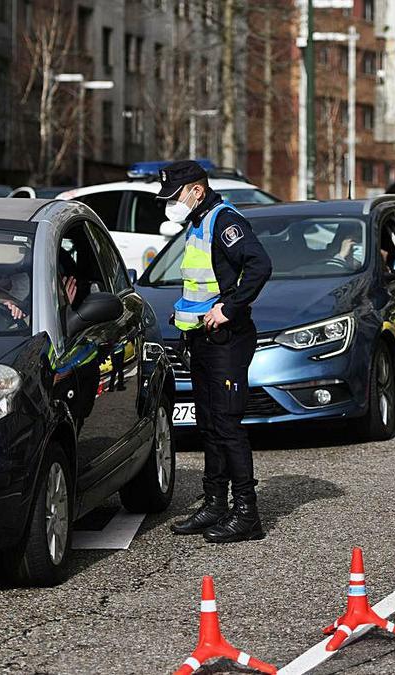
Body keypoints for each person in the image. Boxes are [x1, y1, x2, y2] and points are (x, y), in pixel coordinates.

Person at [160, 160, 273, 543]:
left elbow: (259, 265)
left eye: (176, 195)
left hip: (228, 340)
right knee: (208, 425)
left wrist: (230, 307)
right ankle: (214, 504)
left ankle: (247, 514)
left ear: (197, 190)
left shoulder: (224, 221)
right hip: (201, 339)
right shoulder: (198, 222)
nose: (172, 203)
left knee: (227, 426)